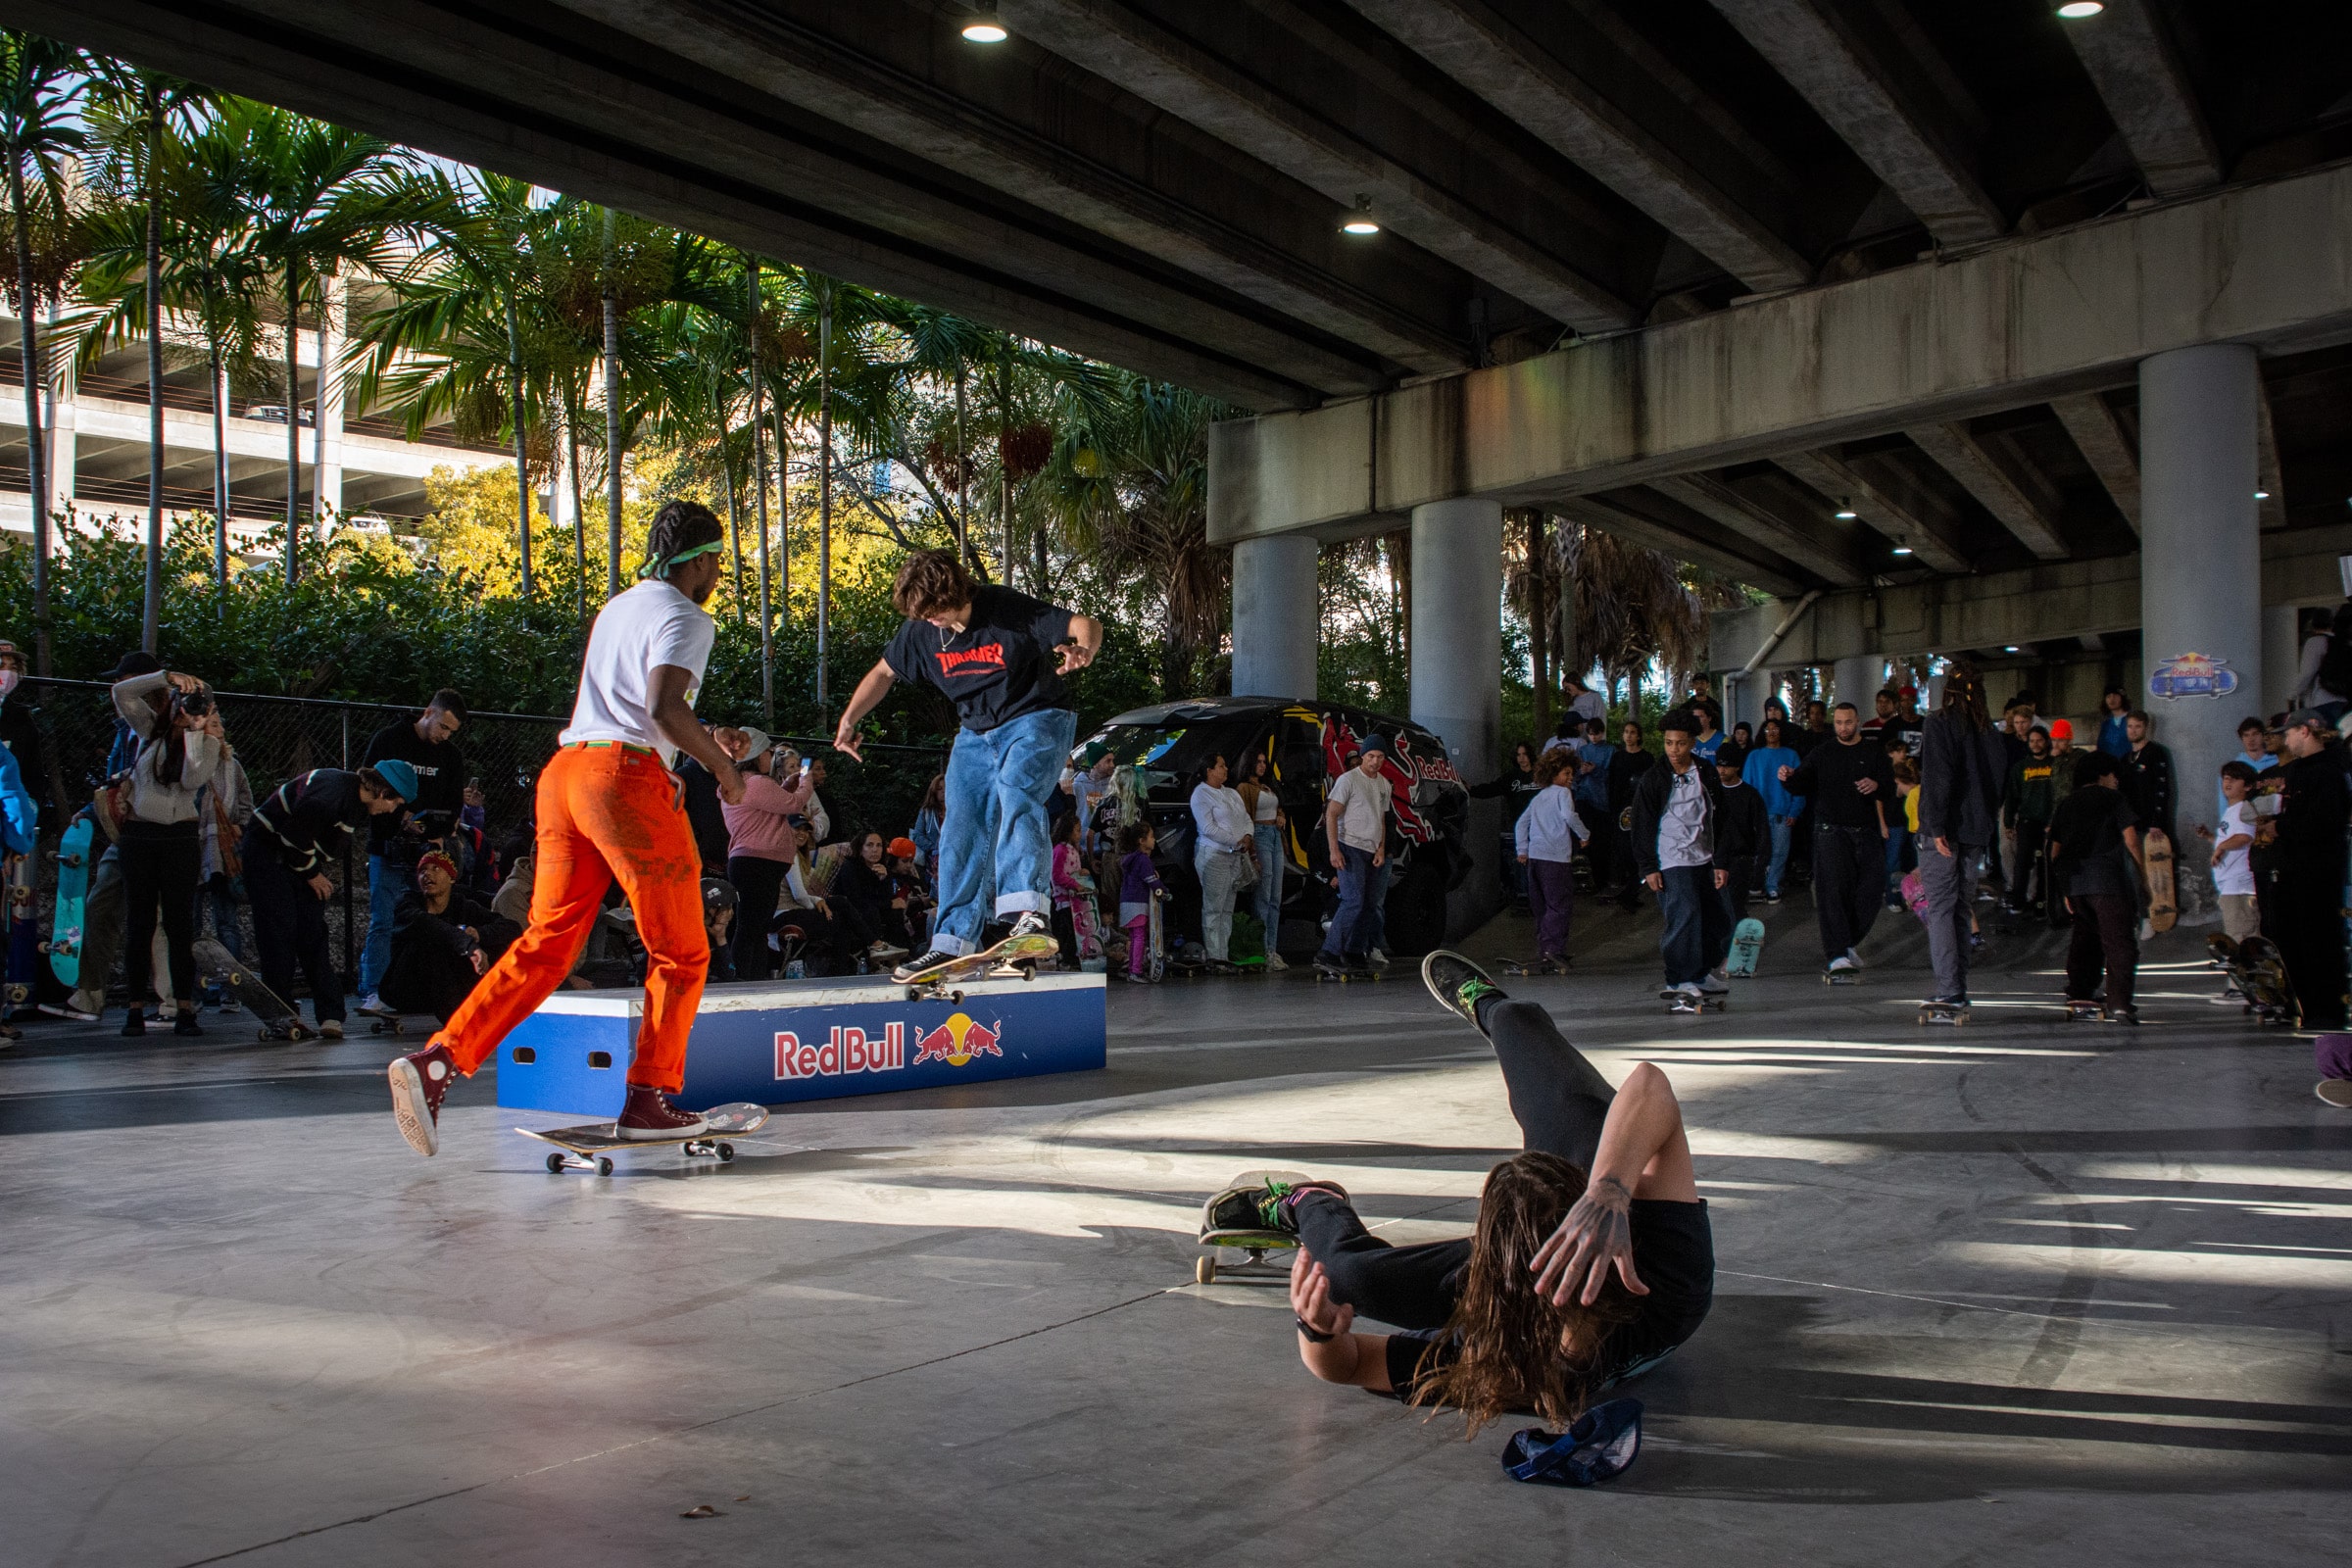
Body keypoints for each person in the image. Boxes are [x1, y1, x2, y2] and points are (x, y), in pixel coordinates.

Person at [387, 500, 748, 1156]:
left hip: (568, 775)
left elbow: (626, 711)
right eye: (716, 558)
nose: (719, 571)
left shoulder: (620, 607)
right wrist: (721, 768)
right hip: (621, 780)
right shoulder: (688, 615)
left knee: (548, 943)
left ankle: (438, 1062)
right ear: (696, 559)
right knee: (682, 949)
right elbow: (664, 707)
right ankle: (649, 1097)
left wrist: (660, 761)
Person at [1274, 951, 1711, 1439]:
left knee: (1342, 1276)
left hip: (1570, 1209)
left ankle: (1306, 1199)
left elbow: (1351, 1365)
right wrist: (1609, 1190)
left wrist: (1317, 1331)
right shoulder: (1676, 1276)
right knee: (1519, 1024)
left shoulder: (1502, 1362)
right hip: (1593, 1189)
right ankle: (1491, 1007)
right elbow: (1650, 1086)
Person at [834, 550, 1102, 985]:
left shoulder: (1003, 608)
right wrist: (849, 719)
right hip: (976, 733)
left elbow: (1082, 624)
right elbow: (883, 672)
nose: (932, 621)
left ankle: (1029, 915)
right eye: (922, 614)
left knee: (1017, 792)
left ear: (957, 593)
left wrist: (1084, 647)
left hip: (1038, 716)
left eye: (936, 611)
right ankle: (951, 944)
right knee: (960, 826)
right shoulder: (921, 629)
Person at [247, 762, 417, 1038]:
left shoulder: (352, 802)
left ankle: (331, 1014)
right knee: (279, 933)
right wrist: (312, 874)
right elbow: (293, 835)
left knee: (313, 932)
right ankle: (281, 1013)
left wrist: (311, 870)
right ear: (384, 792)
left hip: (297, 860)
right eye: (396, 801)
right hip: (268, 852)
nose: (394, 808)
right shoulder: (332, 794)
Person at [110, 667, 229, 1038]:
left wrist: (196, 731)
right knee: (140, 922)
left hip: (179, 838)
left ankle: (184, 1007)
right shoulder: (151, 730)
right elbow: (121, 693)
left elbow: (192, 779)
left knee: (179, 925)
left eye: (204, 709)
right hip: (139, 835)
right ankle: (133, 1007)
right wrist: (165, 678)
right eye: (190, 705)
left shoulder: (208, 745)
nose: (194, 711)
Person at [357, 690, 467, 1017]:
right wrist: (402, 819)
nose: (444, 735)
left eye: (451, 731)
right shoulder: (389, 740)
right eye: (443, 727)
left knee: (423, 920)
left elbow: (453, 805)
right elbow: (367, 786)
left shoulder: (450, 756)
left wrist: (438, 832)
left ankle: (412, 990)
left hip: (427, 849)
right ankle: (373, 990)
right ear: (428, 712)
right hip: (387, 845)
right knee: (383, 917)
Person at [1916, 663, 2008, 1011]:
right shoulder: (1990, 731)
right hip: (1975, 831)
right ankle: (1958, 987)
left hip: (1944, 832)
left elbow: (1939, 775)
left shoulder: (1939, 723)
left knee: (1940, 908)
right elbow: (1998, 782)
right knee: (1960, 908)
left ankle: (1949, 990)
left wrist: (1936, 826)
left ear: (1947, 692)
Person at [1780, 701, 1894, 976]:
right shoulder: (1823, 753)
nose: (1844, 728)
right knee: (1832, 892)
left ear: (1857, 722)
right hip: (1830, 832)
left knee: (1870, 890)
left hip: (1865, 831)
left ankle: (1847, 941)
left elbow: (1890, 787)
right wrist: (1786, 777)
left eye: (1849, 722)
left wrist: (1877, 785)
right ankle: (1837, 953)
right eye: (1839, 723)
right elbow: (1801, 783)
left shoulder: (1873, 751)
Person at [1631, 710, 1731, 1004]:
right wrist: (1648, 867)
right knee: (1684, 915)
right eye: (1668, 743)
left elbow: (1721, 816)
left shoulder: (1705, 772)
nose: (1674, 750)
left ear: (1692, 744)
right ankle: (1678, 978)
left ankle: (1699, 973)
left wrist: (1721, 860)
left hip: (1703, 856)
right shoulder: (1654, 778)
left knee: (1716, 920)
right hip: (1671, 858)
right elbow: (1641, 824)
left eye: (1681, 744)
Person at [2263, 710, 2350, 1030]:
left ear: (2307, 731)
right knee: (2293, 937)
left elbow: (2324, 821)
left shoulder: (2328, 771)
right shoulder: (2301, 770)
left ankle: (2326, 1011)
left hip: (2317, 871)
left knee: (2319, 940)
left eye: (2289, 733)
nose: (2285, 739)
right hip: (2294, 868)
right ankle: (2308, 1007)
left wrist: (2282, 827)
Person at [2047, 752, 2143, 1024]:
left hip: (2076, 884)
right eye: (2113, 774)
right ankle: (2120, 1003)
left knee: (2085, 939)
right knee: (2119, 943)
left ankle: (2080, 992)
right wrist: (2143, 877)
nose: (2116, 780)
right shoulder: (2114, 799)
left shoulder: (2066, 804)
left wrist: (2064, 887)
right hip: (2108, 881)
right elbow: (2131, 840)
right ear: (2101, 774)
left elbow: (2054, 850)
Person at [379, 851, 521, 1025]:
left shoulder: (462, 906)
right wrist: (468, 945)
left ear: (451, 878)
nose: (428, 874)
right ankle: (461, 1023)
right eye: (423, 871)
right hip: (407, 988)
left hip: (451, 988)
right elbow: (432, 926)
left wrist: (478, 934)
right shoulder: (407, 904)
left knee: (494, 945)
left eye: (436, 869)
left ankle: (504, 1005)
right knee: (434, 944)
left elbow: (512, 927)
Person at [721, 730, 815, 980]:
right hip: (758, 862)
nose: (771, 757)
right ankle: (744, 978)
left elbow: (770, 806)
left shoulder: (739, 783)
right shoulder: (756, 783)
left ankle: (753, 977)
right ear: (755, 755)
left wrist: (787, 785)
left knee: (754, 926)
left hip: (752, 862)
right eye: (768, 752)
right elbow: (793, 804)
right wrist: (806, 781)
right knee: (752, 927)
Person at [1313, 738, 1394, 979]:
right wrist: (1334, 850)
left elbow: (1381, 818)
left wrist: (1380, 848)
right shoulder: (1348, 780)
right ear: (1363, 756)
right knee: (1353, 900)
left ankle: (1355, 951)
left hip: (1371, 849)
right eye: (1371, 756)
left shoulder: (1383, 785)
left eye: (1380, 757)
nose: (1375, 761)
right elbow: (1331, 814)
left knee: (1370, 903)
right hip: (1349, 845)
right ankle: (1328, 952)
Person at [1513, 747, 1588, 974]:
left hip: (1535, 858)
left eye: (1571, 774)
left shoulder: (1538, 797)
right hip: (1556, 859)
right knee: (1559, 905)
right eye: (1566, 773)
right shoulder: (1563, 793)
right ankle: (1553, 950)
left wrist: (1522, 850)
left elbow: (1520, 824)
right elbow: (1568, 816)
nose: (1570, 778)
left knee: (1541, 907)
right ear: (1554, 773)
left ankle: (1545, 948)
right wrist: (1584, 834)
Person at [194, 744, 255, 1011]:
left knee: (227, 922)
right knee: (190, 924)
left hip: (224, 850)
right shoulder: (190, 765)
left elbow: (246, 800)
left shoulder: (233, 765)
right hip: (193, 846)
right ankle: (194, 992)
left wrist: (239, 824)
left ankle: (232, 989)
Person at [1189, 753, 1253, 974]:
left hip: (1235, 856)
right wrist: (1233, 841)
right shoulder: (1201, 794)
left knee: (1227, 908)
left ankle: (1223, 955)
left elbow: (1245, 818)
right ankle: (1214, 956)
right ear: (1209, 771)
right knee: (1214, 907)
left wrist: (1247, 836)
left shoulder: (1232, 793)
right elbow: (1207, 827)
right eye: (1221, 766)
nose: (1226, 769)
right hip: (1215, 855)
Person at [2195, 761, 2262, 944]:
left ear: (2248, 786)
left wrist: (2221, 847)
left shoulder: (2244, 808)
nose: (2228, 781)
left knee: (2243, 937)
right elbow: (2227, 840)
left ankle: (2250, 971)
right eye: (2225, 777)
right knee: (2236, 933)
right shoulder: (2232, 811)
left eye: (2234, 778)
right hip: (2229, 885)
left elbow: (2244, 836)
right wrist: (2210, 837)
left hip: (2239, 886)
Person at [1470, 741, 1542, 907]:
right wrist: (1471, 790)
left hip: (1540, 825)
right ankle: (1523, 895)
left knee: (1539, 860)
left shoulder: (1540, 774)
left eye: (1524, 754)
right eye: (1518, 755)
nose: (1522, 758)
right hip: (1520, 825)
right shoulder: (1512, 777)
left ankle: (1538, 892)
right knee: (1522, 859)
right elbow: (1493, 788)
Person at [1235, 751, 1289, 969]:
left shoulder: (1267, 786)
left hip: (1275, 834)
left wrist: (1281, 815)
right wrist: (1253, 851)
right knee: (1264, 893)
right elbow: (1244, 817)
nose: (1262, 765)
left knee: (1275, 895)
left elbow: (1277, 806)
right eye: (1257, 762)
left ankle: (1272, 949)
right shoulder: (1244, 788)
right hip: (1260, 834)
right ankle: (1262, 948)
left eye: (1264, 762)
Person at [1740, 716, 1803, 903]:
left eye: (1775, 729)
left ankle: (1773, 886)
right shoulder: (1754, 756)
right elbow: (1746, 786)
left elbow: (1800, 785)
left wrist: (1795, 810)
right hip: (1759, 812)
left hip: (1782, 812)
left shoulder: (1791, 755)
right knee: (1758, 852)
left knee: (1780, 851)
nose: (1772, 732)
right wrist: (1748, 812)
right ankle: (1756, 884)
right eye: (1768, 729)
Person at [833, 830, 912, 968]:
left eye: (879, 845)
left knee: (895, 913)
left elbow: (887, 897)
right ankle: (875, 960)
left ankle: (900, 958)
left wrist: (884, 879)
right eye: (869, 845)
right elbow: (855, 899)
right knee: (872, 911)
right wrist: (888, 904)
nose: (875, 850)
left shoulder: (882, 868)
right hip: (851, 912)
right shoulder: (850, 867)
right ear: (860, 848)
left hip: (874, 908)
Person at [2003, 727, 2058, 912]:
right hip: (2027, 821)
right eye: (2032, 741)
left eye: (2039, 740)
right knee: (2023, 862)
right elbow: (2011, 796)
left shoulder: (2055, 765)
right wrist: (2008, 822)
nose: (2036, 744)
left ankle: (2043, 901)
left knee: (2045, 863)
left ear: (2046, 741)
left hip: (2049, 822)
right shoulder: (2020, 768)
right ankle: (2018, 900)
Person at [1604, 720, 1655, 910]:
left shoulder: (1646, 758)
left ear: (1639, 735)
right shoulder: (1617, 757)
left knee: (1637, 849)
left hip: (1639, 808)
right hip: (1620, 810)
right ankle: (1626, 887)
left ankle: (1632, 890)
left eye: (1633, 732)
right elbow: (1611, 783)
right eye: (1626, 732)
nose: (1629, 736)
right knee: (1622, 849)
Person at [1712, 747, 1766, 920]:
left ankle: (1741, 936)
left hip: (1741, 857)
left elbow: (1762, 829)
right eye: (1719, 766)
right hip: (1713, 856)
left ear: (1736, 767)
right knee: (1717, 904)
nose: (1722, 770)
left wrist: (1761, 861)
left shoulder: (1750, 795)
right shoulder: (1711, 793)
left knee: (1735, 903)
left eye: (1726, 766)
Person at [1047, 814, 1103, 967]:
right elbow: (1057, 875)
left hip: (1076, 900)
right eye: (1077, 830)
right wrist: (1075, 885)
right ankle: (1067, 961)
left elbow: (1072, 870)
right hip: (1066, 899)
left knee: (1075, 932)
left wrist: (1082, 873)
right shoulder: (1060, 850)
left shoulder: (1073, 850)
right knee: (1071, 932)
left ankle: (1070, 960)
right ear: (1067, 832)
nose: (1080, 834)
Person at [2120, 710, 2177, 858]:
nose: (2133, 730)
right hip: (2131, 826)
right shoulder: (2125, 758)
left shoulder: (2156, 752)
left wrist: (2157, 822)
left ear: (2146, 728)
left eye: (2137, 726)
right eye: (2130, 726)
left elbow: (2162, 789)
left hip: (2151, 827)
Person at [1116, 821, 1164, 983]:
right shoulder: (1143, 860)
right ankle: (1136, 971)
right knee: (1139, 937)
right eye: (1151, 836)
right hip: (1137, 903)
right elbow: (1152, 881)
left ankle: (1131, 969)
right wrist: (1164, 891)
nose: (1154, 840)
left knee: (1134, 936)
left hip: (1127, 902)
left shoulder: (1131, 860)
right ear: (1141, 841)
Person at [1571, 718, 1615, 890]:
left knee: (1601, 842)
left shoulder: (1610, 750)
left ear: (1602, 733)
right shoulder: (1582, 750)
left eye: (1596, 733)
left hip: (1602, 801)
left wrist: (1595, 770)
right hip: (1584, 798)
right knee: (1584, 839)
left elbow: (1611, 776)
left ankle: (1601, 880)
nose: (1593, 737)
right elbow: (1574, 776)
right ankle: (1583, 877)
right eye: (1590, 734)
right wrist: (1581, 771)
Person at [2293, 600, 2352, 724]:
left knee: (2325, 738)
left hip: (2323, 700)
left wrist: (2294, 694)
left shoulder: (2315, 642)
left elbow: (2308, 672)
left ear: (2313, 624)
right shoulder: (2343, 643)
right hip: (2344, 699)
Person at [2219, 715, 2277, 823]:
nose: (2251, 739)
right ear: (2241, 738)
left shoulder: (2276, 762)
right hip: (2244, 824)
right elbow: (2224, 801)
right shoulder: (2233, 769)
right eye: (2246, 735)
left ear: (2263, 735)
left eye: (2255, 734)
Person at [910, 772, 946, 871]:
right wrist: (934, 847)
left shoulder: (959, 812)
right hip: (933, 859)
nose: (944, 791)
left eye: (947, 787)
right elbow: (917, 835)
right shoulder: (926, 811)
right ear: (934, 791)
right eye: (940, 789)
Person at [2096, 687, 2132, 758]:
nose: (2112, 699)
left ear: (2122, 698)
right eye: (2108, 696)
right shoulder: (2106, 724)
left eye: (2115, 696)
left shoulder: (2132, 719)